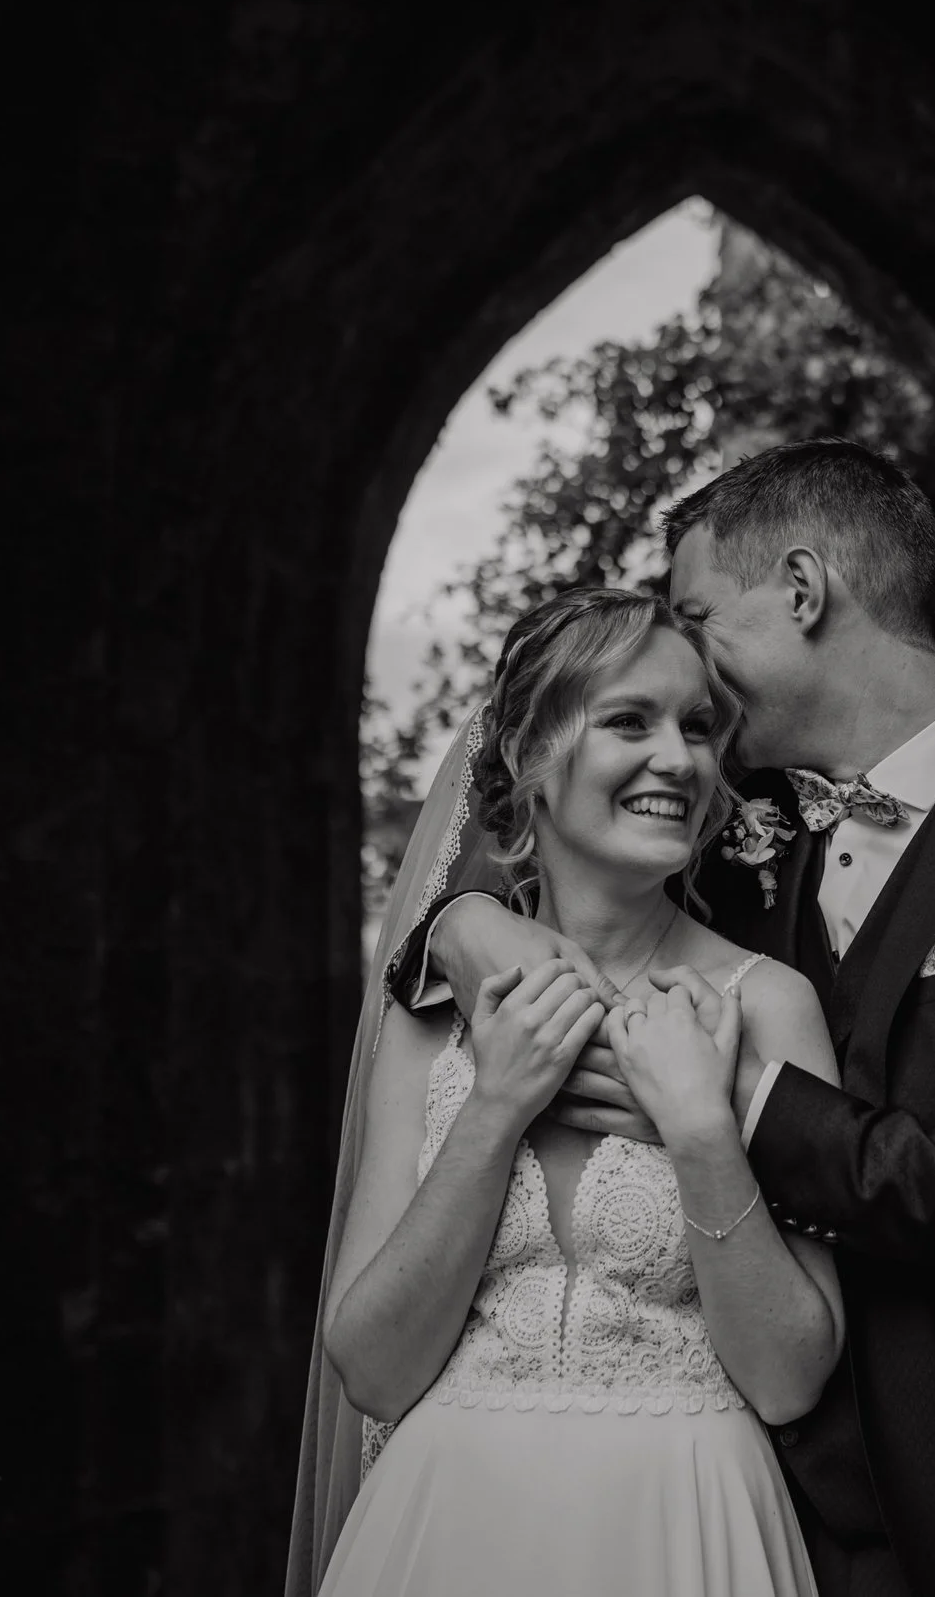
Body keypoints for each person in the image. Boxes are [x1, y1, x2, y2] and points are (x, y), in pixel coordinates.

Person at [389, 439, 935, 1597]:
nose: (691, 693)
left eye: (697, 614)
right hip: (753, 1514)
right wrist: (471, 927)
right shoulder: (718, 829)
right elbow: (532, 835)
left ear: (802, 588)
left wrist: (749, 1104)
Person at [291, 589, 843, 1597]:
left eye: (698, 726)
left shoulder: (770, 1005)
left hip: (686, 1525)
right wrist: (495, 1104)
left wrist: (701, 1129)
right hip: (446, 1527)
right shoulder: (432, 1011)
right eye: (629, 720)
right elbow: (369, 1368)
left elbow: (787, 1375)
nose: (677, 758)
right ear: (525, 756)